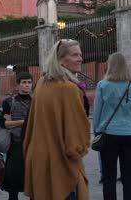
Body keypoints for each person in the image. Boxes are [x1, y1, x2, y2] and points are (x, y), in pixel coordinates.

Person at [23, 39, 90, 200]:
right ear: (61, 59)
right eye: (75, 55)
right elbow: (75, 141)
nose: (80, 58)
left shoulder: (41, 84)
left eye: (80, 55)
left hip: (38, 162)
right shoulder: (69, 89)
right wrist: (80, 150)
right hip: (61, 167)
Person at [93, 52, 131, 200]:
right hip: (130, 135)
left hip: (109, 135)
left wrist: (96, 133)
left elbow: (96, 113)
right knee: (128, 175)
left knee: (109, 176)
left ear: (110, 66)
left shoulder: (103, 85)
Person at [0, 72, 33, 200]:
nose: (27, 85)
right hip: (15, 145)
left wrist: (13, 123)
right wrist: (23, 122)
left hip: (32, 145)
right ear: (18, 84)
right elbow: (4, 124)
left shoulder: (36, 102)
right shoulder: (9, 102)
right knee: (13, 182)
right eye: (24, 82)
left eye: (29, 82)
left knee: (33, 181)